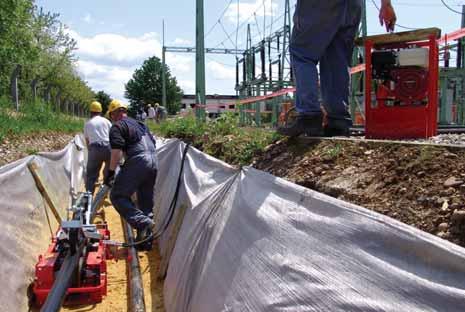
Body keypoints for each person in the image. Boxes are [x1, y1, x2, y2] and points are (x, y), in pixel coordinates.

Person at [278, 0, 396, 137]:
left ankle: (309, 115)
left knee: (302, 53)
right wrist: (386, 4)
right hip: (353, 5)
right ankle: (338, 121)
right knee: (336, 58)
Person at [104, 99, 158, 251]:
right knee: (145, 201)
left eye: (111, 116)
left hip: (139, 159)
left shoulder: (117, 126)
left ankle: (142, 222)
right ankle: (145, 242)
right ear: (125, 111)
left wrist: (110, 172)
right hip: (154, 159)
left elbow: (116, 151)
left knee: (117, 195)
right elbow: (153, 143)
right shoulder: (140, 124)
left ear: (113, 114)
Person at [84, 101, 112, 193]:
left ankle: (89, 196)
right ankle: (106, 190)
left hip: (95, 148)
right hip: (108, 147)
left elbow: (87, 140)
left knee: (91, 175)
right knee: (108, 170)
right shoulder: (107, 121)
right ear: (100, 111)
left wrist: (91, 151)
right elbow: (112, 135)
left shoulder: (88, 123)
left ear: (91, 112)